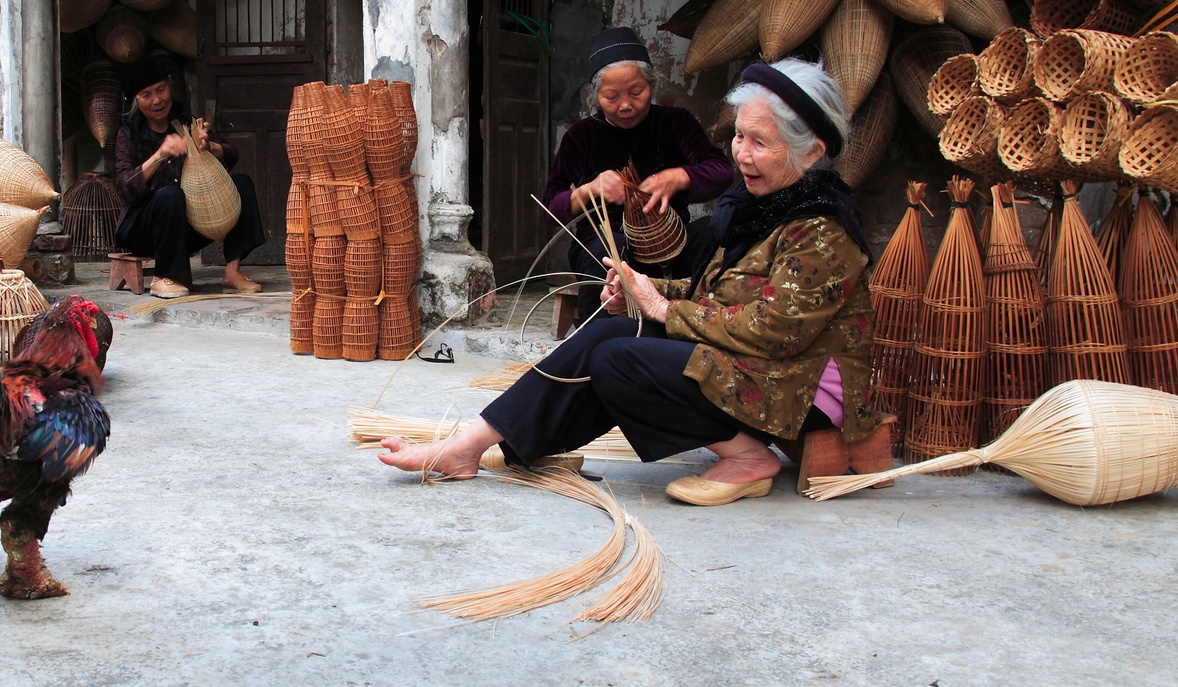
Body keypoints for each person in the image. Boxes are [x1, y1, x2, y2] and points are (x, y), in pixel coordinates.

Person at [380, 59, 882, 507]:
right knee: (604, 334)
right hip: (756, 365)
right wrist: (646, 294)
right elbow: (723, 296)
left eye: (760, 143)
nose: (741, 154)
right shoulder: (760, 207)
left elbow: (775, 331)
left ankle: (750, 459)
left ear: (811, 151)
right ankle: (473, 446)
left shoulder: (822, 229)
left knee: (620, 361)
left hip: (801, 388)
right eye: (739, 136)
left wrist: (663, 309)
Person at [546, 27, 732, 320]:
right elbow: (550, 208)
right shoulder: (582, 136)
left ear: (652, 86)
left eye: (637, 92)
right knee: (612, 249)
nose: (625, 105)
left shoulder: (674, 124)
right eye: (611, 96)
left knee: (714, 230)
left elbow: (722, 172)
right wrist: (590, 190)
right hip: (608, 247)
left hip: (672, 246)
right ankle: (599, 337)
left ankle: (700, 322)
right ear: (596, 95)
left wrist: (678, 177)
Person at [111, 55, 267, 299]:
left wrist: (209, 146)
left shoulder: (185, 123)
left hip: (188, 225)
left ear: (169, 87)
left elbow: (231, 154)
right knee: (171, 194)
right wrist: (159, 155)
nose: (157, 100)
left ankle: (232, 273)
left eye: (161, 90)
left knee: (242, 184)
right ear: (135, 101)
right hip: (143, 230)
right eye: (146, 95)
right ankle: (162, 278)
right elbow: (124, 187)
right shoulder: (129, 133)